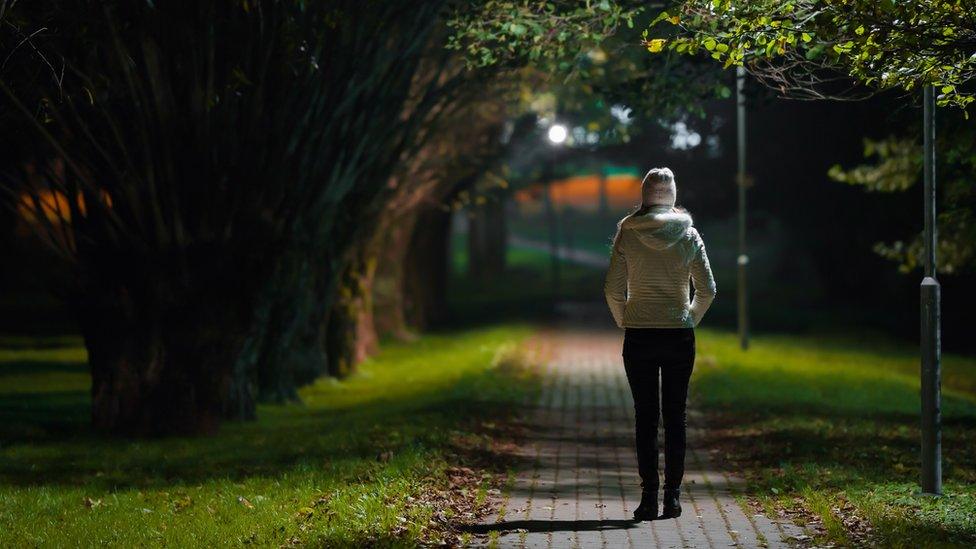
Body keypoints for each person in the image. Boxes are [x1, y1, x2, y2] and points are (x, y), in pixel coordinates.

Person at [604, 167, 716, 521]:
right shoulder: (688, 234)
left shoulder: (628, 232)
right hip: (678, 334)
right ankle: (673, 497)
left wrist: (625, 318)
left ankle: (648, 497)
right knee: (676, 416)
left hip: (640, 334)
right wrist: (688, 318)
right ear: (672, 195)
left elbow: (612, 289)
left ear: (644, 195)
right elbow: (708, 289)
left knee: (646, 416)